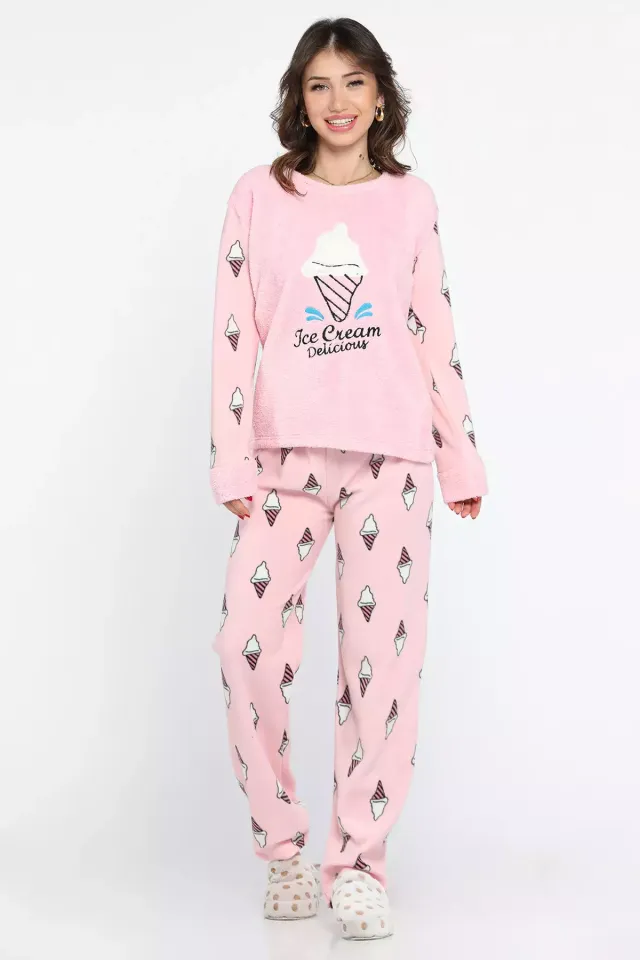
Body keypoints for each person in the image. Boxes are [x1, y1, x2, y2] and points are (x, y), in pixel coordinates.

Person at [208, 17, 488, 941]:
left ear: (380, 96)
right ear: (299, 96)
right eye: (320, 84)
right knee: (245, 643)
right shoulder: (260, 195)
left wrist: (459, 453)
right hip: (283, 459)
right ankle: (284, 846)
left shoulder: (411, 201)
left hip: (390, 459)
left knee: (383, 668)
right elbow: (234, 332)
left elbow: (432, 330)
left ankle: (360, 862)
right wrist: (231, 457)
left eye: (354, 82)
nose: (338, 101)